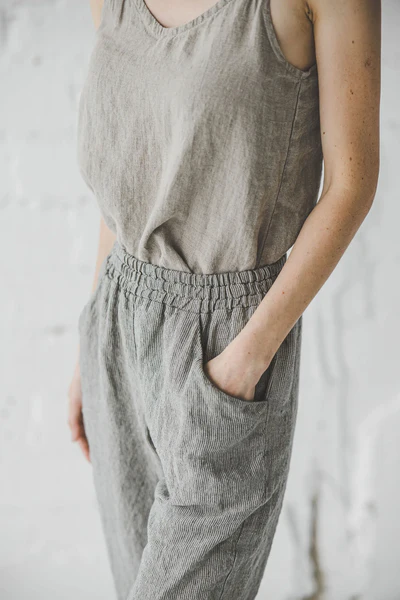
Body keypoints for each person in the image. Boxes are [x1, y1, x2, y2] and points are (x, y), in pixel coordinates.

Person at [67, 0, 381, 598]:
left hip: (226, 344)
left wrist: (245, 361)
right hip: (116, 326)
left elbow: (351, 186)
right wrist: (91, 340)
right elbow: (132, 181)